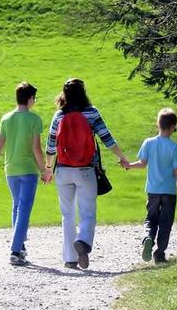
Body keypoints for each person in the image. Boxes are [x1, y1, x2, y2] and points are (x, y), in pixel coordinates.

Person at [46, 78, 129, 269]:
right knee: (88, 213)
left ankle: (70, 258)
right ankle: (82, 241)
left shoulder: (59, 115)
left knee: (67, 214)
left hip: (63, 170)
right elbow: (107, 138)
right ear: (83, 92)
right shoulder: (91, 112)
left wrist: (48, 169)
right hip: (86, 169)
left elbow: (50, 146)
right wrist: (123, 158)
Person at [0, 82, 52, 266]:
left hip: (11, 169)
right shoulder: (34, 120)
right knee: (24, 209)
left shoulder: (6, 118)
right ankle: (15, 250)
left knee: (17, 206)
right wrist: (44, 170)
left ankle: (20, 246)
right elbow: (36, 148)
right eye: (34, 98)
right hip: (28, 170)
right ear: (30, 98)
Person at [124, 108, 177, 264]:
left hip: (152, 191)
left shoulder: (148, 143)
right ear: (172, 127)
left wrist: (129, 165)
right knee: (166, 222)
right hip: (169, 192)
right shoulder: (174, 147)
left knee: (151, 219)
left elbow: (142, 164)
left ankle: (148, 238)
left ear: (158, 124)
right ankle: (159, 253)